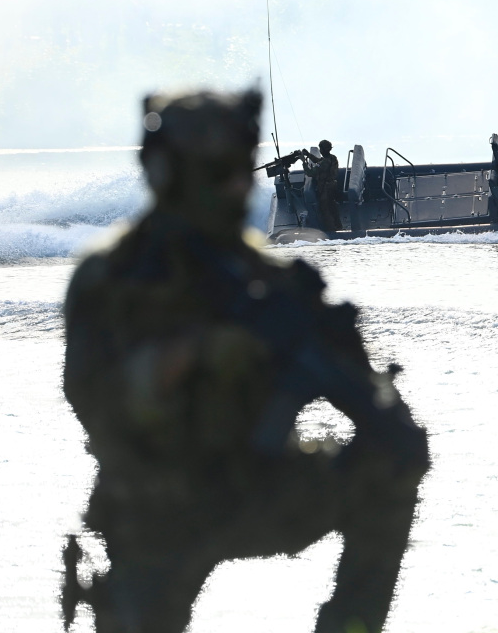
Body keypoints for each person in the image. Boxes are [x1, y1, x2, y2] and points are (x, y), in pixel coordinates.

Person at [61, 91, 429, 632]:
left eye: (240, 171)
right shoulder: (115, 276)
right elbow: (94, 401)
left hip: (251, 482)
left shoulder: (267, 279)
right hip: (154, 503)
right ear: (167, 175)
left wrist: (354, 373)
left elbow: (351, 394)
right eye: (218, 174)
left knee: (392, 461)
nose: (238, 186)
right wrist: (199, 352)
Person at [313, 139, 342, 233]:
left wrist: (303, 162)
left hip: (325, 188)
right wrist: (308, 155)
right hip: (332, 185)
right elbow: (319, 161)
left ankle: (331, 229)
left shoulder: (325, 162)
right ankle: (338, 226)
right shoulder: (332, 158)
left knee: (326, 209)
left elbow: (311, 172)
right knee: (332, 206)